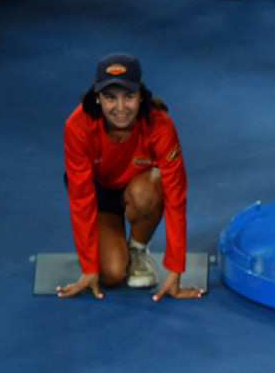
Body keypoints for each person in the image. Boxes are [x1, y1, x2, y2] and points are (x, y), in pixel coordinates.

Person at [61, 53, 204, 301]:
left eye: (128, 96)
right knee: (111, 275)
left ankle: (137, 249)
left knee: (147, 192)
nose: (120, 108)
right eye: (110, 97)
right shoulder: (78, 126)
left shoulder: (160, 125)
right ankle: (111, 246)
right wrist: (88, 267)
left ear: (140, 95)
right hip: (100, 192)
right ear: (98, 97)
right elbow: (81, 198)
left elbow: (175, 197)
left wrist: (176, 269)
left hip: (141, 188)